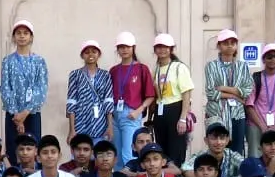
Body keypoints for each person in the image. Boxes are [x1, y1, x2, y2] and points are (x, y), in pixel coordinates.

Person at [0, 20, 49, 162]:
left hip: (32, 114)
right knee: (13, 151)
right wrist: (17, 117)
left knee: (32, 150)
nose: (22, 36)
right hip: (13, 115)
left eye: (26, 33)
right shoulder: (7, 61)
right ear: (14, 37)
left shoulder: (39, 61)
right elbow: (6, 88)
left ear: (31, 37)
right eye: (19, 33)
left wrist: (25, 112)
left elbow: (41, 88)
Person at [109, 32, 156, 168]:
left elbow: (150, 95)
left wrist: (138, 111)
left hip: (131, 113)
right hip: (115, 114)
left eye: (127, 47)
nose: (124, 50)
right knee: (116, 153)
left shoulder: (141, 68)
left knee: (128, 152)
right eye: (121, 47)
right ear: (117, 49)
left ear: (133, 48)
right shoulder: (113, 70)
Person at [148, 34, 194, 166]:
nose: (162, 50)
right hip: (160, 110)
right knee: (162, 149)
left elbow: (186, 93)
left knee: (176, 148)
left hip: (176, 109)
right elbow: (154, 95)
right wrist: (150, 118)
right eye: (159, 47)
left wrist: (183, 118)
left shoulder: (179, 67)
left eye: (165, 47)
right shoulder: (156, 69)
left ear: (171, 49)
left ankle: (176, 175)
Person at [203, 30, 253, 149]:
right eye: (225, 43)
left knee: (237, 149)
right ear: (219, 46)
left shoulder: (242, 66)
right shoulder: (211, 66)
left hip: (237, 113)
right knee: (217, 149)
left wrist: (223, 88)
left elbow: (247, 90)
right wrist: (234, 96)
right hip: (217, 113)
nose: (229, 46)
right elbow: (210, 92)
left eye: (232, 43)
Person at [245, 44, 275, 158]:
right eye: (269, 57)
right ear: (263, 59)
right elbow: (249, 106)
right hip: (255, 125)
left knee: (274, 158)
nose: (273, 60)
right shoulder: (254, 79)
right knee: (255, 156)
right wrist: (262, 126)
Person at [65, 40, 113, 145]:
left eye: (94, 52)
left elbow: (108, 101)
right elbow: (71, 101)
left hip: (100, 123)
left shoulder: (105, 75)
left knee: (99, 152)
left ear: (99, 54)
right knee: (81, 151)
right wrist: (72, 130)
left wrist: (110, 126)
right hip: (80, 122)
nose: (90, 55)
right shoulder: (75, 74)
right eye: (87, 52)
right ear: (82, 55)